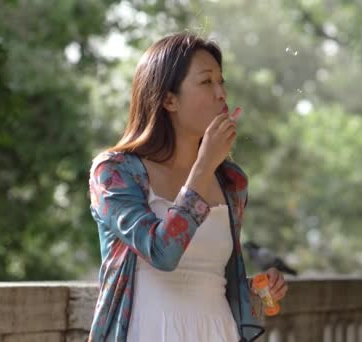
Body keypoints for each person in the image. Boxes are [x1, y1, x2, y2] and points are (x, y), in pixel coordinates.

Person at [88, 32, 288, 342]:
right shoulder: (114, 172)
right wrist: (204, 166)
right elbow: (162, 253)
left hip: (217, 332)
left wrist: (255, 290)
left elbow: (210, 281)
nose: (221, 93)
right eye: (207, 82)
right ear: (169, 99)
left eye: (222, 82)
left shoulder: (231, 181)